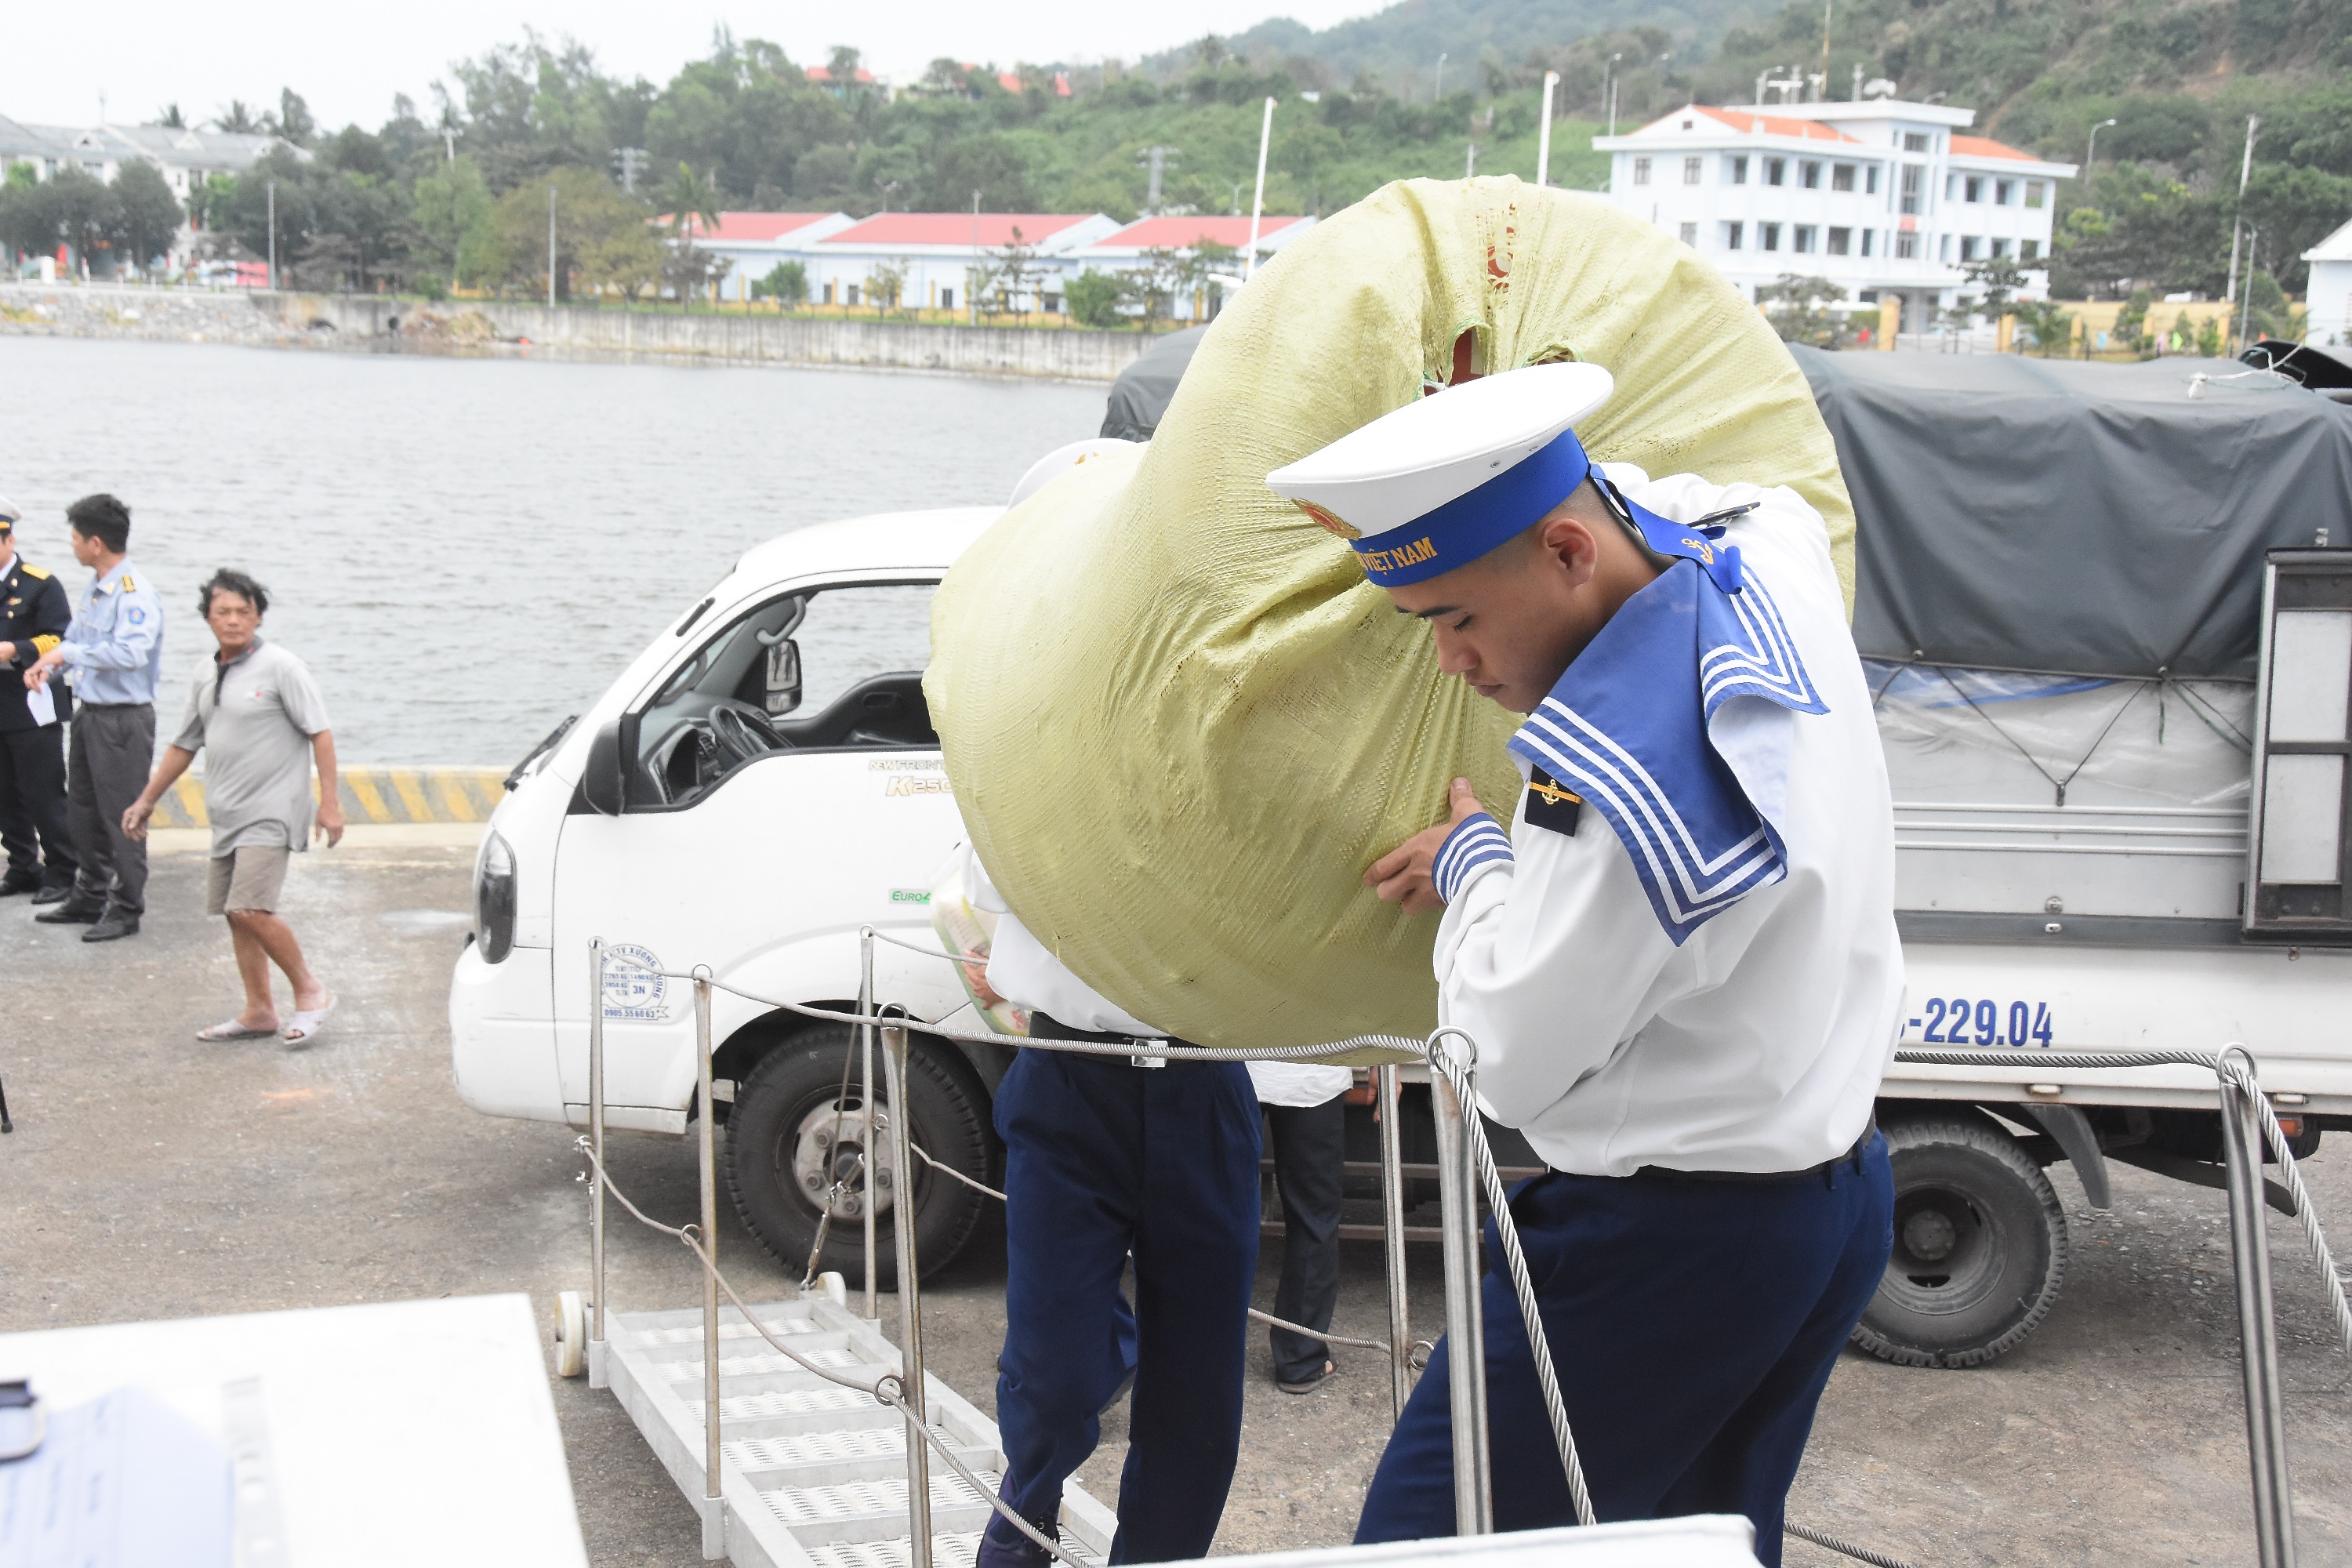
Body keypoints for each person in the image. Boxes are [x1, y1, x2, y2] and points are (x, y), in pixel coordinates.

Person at [1265, 360, 1900, 1565]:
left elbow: (1504, 1061)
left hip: (1660, 1248)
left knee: (1422, 1545)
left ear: (1568, 553)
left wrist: (1476, 868)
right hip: (1827, 1195)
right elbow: (1687, 492)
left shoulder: (1611, 778)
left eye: (1454, 616)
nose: (1449, 662)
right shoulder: (1765, 555)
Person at [944, 843, 1260, 1568]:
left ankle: (1156, 1558)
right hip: (1069, 1074)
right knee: (1050, 1371)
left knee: (1198, 1393)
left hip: (1205, 1075)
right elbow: (987, 869)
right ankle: (1021, 1533)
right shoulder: (1033, 741)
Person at [122, 568, 343, 1044]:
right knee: (233, 911)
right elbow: (185, 743)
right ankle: (259, 1011)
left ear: (259, 616)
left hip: (273, 809)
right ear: (208, 618)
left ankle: (311, 992)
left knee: (250, 908)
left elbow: (320, 734)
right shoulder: (206, 671)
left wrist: (330, 805)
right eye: (223, 612)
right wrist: (147, 799)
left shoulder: (283, 667)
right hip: (227, 813)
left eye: (244, 612)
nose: (234, 620)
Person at [26, 493, 163, 942]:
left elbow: (131, 652)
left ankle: (127, 906)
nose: (72, 545)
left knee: (122, 815)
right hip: (90, 714)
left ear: (96, 543)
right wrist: (51, 664)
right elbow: (75, 640)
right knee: (82, 810)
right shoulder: (96, 589)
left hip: (123, 720)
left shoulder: (133, 594)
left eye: (75, 537)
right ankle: (91, 893)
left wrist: (71, 653)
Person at [1247, 1060, 1352, 1394]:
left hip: (1232, 1065)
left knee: (1215, 1214)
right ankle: (1300, 1359)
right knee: (1314, 1219)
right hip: (1315, 1066)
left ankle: (1200, 1354)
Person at [0, 495, 79, 902]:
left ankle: (63, 869)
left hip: (31, 701)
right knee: (5, 795)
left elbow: (61, 637)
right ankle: (22, 866)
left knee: (43, 792)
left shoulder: (39, 583)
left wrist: (16, 649)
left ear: (8, 540)